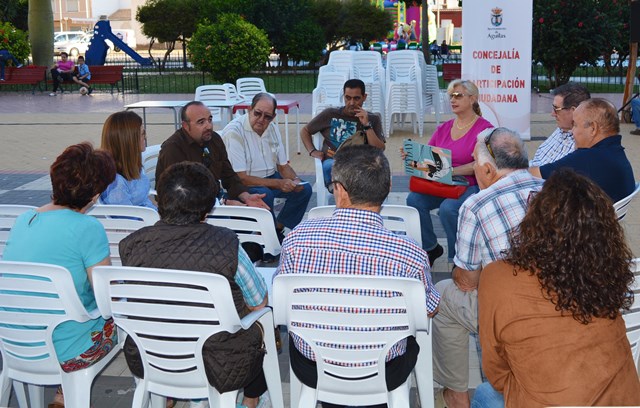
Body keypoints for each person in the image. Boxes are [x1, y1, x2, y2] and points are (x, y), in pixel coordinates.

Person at [277, 144, 440, 408]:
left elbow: (283, 306)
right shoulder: (410, 253)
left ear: (339, 191)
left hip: (313, 367)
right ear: (387, 188)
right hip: (386, 371)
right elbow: (429, 310)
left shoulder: (297, 240)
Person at [473, 169, 640, 408]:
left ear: (535, 220)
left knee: (483, 394)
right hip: (623, 400)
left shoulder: (498, 277)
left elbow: (496, 373)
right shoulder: (606, 273)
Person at [119, 162, 269, 408]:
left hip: (151, 356)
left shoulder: (132, 245)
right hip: (219, 362)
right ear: (208, 208)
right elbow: (259, 302)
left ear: (159, 202)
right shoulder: (227, 244)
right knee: (258, 324)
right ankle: (251, 401)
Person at [433, 128, 544, 408]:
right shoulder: (553, 191)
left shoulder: (477, 205)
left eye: (474, 163)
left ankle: (458, 395)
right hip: (556, 307)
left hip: (511, 317)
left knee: (443, 294)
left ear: (486, 168)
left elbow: (466, 281)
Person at [3, 142, 117, 407]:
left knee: (62, 312)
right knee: (125, 323)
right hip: (66, 352)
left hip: (14, 343)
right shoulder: (88, 227)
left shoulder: (24, 220)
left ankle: (63, 394)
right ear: (94, 194)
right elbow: (106, 298)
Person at [406, 79, 493, 265]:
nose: (452, 100)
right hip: (444, 183)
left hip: (471, 183)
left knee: (448, 209)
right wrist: (412, 156)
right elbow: (429, 157)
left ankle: (458, 257)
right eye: (450, 96)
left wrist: (451, 171)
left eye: (458, 96)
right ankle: (430, 248)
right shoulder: (444, 128)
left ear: (473, 99)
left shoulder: (484, 129)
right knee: (413, 200)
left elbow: (481, 163)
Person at [221, 93, 312, 239]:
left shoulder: (273, 128)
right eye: (257, 113)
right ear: (249, 109)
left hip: (270, 177)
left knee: (304, 189)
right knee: (265, 194)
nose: (261, 119)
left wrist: (295, 180)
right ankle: (264, 238)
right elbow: (241, 178)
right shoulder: (234, 132)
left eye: (267, 116)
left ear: (273, 117)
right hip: (241, 184)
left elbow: (283, 166)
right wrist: (278, 183)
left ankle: (276, 229)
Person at [155, 101, 268, 209]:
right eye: (201, 122)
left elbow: (228, 175)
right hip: (187, 210)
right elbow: (181, 193)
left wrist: (246, 196)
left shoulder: (213, 139)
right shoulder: (173, 148)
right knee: (239, 215)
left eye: (210, 120)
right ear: (185, 126)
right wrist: (224, 203)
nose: (208, 126)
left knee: (262, 197)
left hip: (214, 198)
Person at [530, 98, 636, 202]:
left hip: (588, 218)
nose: (572, 131)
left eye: (575, 125)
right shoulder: (616, 153)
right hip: (607, 216)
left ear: (593, 128)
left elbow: (535, 174)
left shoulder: (587, 158)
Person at [300, 79, 385, 192]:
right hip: (333, 162)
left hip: (359, 165)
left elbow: (380, 149)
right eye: (348, 98)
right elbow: (305, 130)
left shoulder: (373, 119)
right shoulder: (330, 114)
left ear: (364, 97)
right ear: (343, 96)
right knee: (329, 166)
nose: (351, 103)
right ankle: (343, 192)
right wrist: (312, 151)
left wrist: (366, 125)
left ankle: (347, 194)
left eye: (356, 98)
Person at [100, 110, 156, 209]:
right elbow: (128, 219)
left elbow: (145, 198)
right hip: (143, 222)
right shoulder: (116, 184)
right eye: (143, 134)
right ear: (129, 140)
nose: (146, 137)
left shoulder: (132, 167)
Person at [529, 82, 590, 166]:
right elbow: (536, 161)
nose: (552, 114)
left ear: (574, 111)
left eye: (556, 109)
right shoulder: (562, 129)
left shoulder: (580, 145)